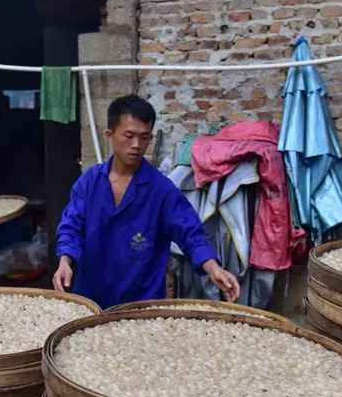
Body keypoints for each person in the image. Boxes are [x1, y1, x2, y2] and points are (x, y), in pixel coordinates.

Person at [53, 94, 240, 309]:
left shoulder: (161, 190)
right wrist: (65, 261)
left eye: (144, 137)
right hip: (91, 297)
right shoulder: (89, 182)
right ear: (110, 135)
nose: (136, 145)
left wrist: (214, 268)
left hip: (141, 303)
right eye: (129, 136)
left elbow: (190, 233)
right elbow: (71, 226)